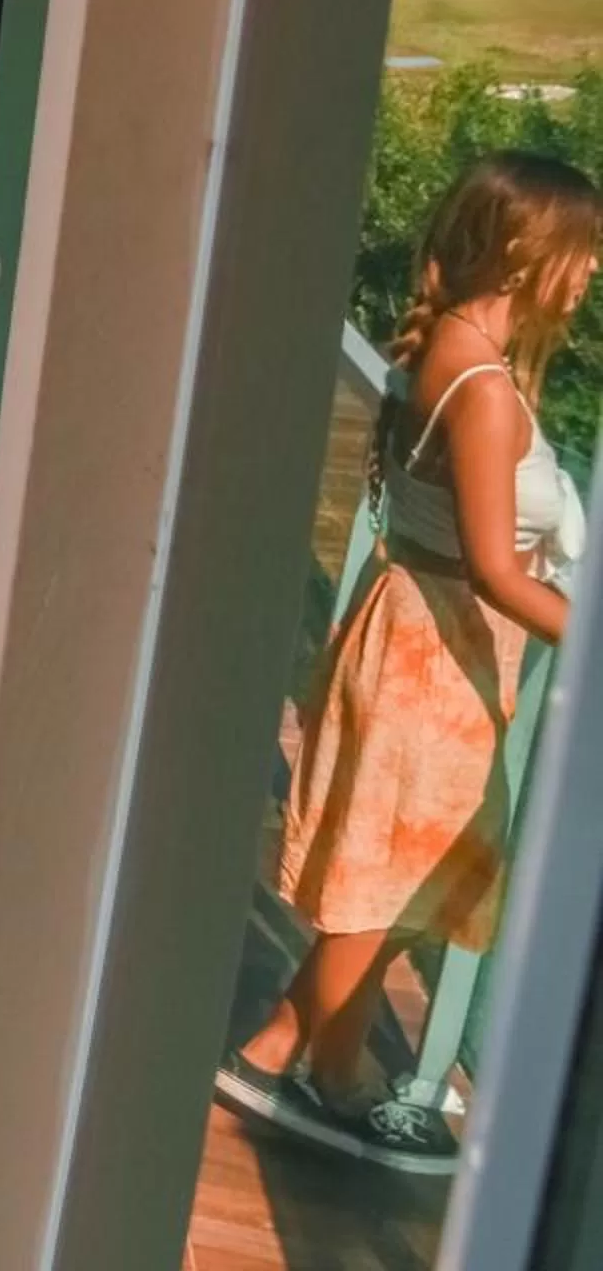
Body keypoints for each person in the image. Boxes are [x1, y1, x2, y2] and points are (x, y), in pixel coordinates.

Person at [219, 151, 597, 1170]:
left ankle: (287, 1051)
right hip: (437, 656)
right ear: (523, 255)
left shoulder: (466, 356)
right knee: (391, 883)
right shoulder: (479, 385)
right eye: (582, 250)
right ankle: (317, 1071)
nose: (592, 271)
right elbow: (493, 564)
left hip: (429, 640)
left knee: (402, 879)